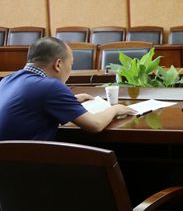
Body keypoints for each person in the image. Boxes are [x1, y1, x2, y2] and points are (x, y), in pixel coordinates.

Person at [0, 37, 135, 140]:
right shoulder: (51, 86)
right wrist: (115, 109)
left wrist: (70, 100)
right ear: (58, 64)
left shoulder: (6, 80)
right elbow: (95, 125)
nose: (70, 71)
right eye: (71, 65)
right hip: (26, 164)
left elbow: (31, 105)